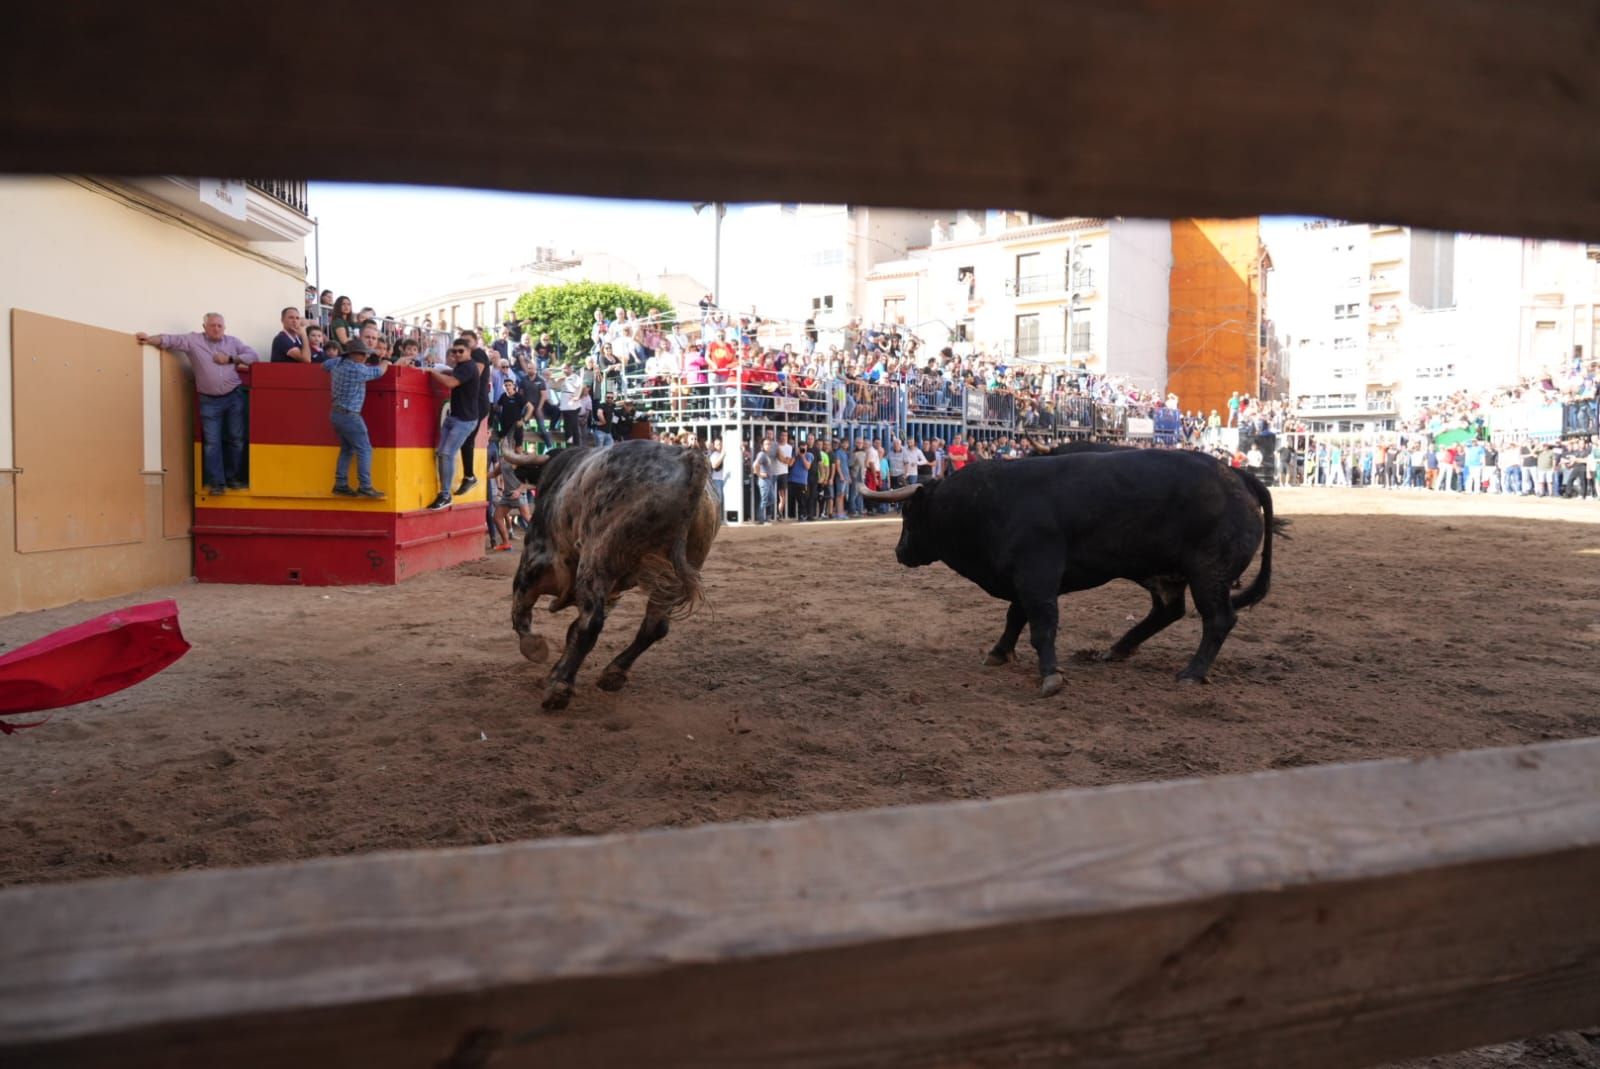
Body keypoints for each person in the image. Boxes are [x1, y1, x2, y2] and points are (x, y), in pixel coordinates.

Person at [135, 313, 259, 495]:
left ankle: (233, 478)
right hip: (209, 400)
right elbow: (170, 340)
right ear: (204, 327)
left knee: (237, 440)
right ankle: (217, 483)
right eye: (212, 325)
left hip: (234, 397)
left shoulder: (233, 342)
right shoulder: (193, 340)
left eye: (219, 326)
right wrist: (149, 339)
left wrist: (231, 359)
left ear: (224, 328)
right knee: (212, 443)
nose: (216, 329)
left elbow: (253, 356)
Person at [321, 339, 390, 498]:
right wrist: (385, 361)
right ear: (354, 354)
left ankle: (341, 484)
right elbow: (379, 372)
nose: (365, 357)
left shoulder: (338, 362)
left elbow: (323, 365)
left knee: (347, 449)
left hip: (336, 414)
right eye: (363, 354)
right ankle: (365, 486)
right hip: (350, 415)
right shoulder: (357, 369)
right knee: (365, 449)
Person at [422, 340, 483, 511]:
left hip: (464, 420)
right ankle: (446, 491)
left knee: (447, 454)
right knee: (442, 454)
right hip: (455, 417)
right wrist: (443, 369)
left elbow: (451, 383)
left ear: (468, 351)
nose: (456, 354)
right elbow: (454, 374)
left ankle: (445, 494)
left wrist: (432, 371)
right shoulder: (463, 367)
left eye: (460, 351)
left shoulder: (468, 367)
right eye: (453, 351)